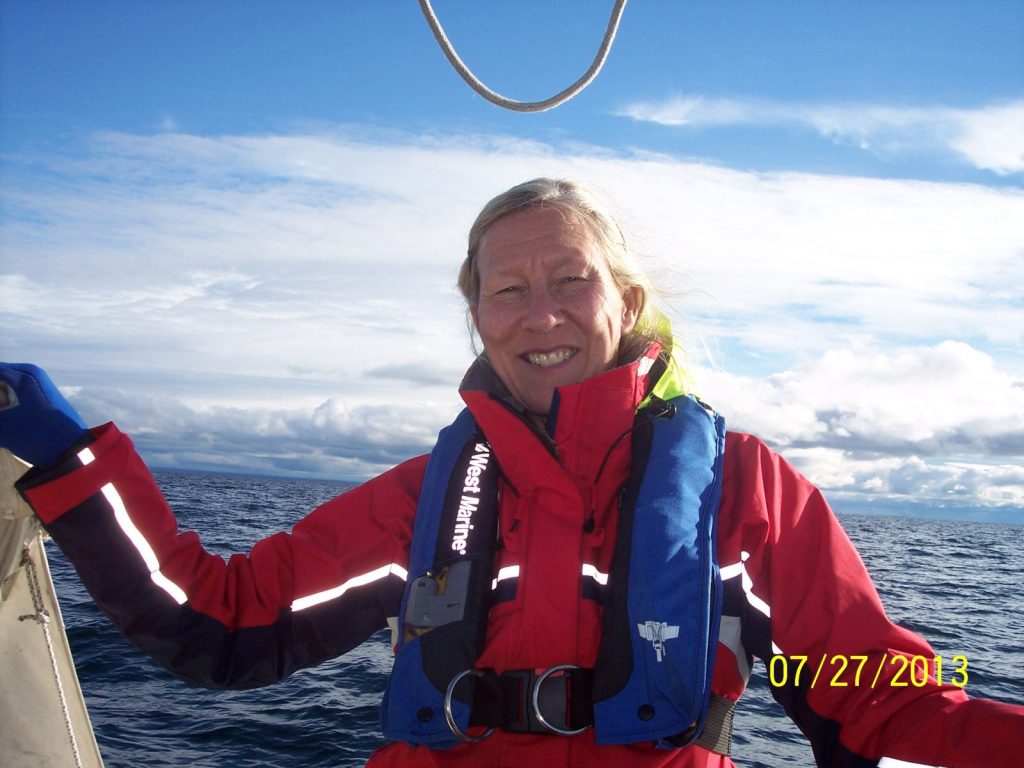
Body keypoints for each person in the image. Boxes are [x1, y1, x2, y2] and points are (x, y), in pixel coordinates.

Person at [1, 178, 1021, 768]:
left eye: (570, 280)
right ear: (477, 316)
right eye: (508, 289)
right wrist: (72, 465)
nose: (541, 314)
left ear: (624, 301)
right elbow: (218, 625)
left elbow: (873, 696)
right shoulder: (418, 499)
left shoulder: (744, 492)